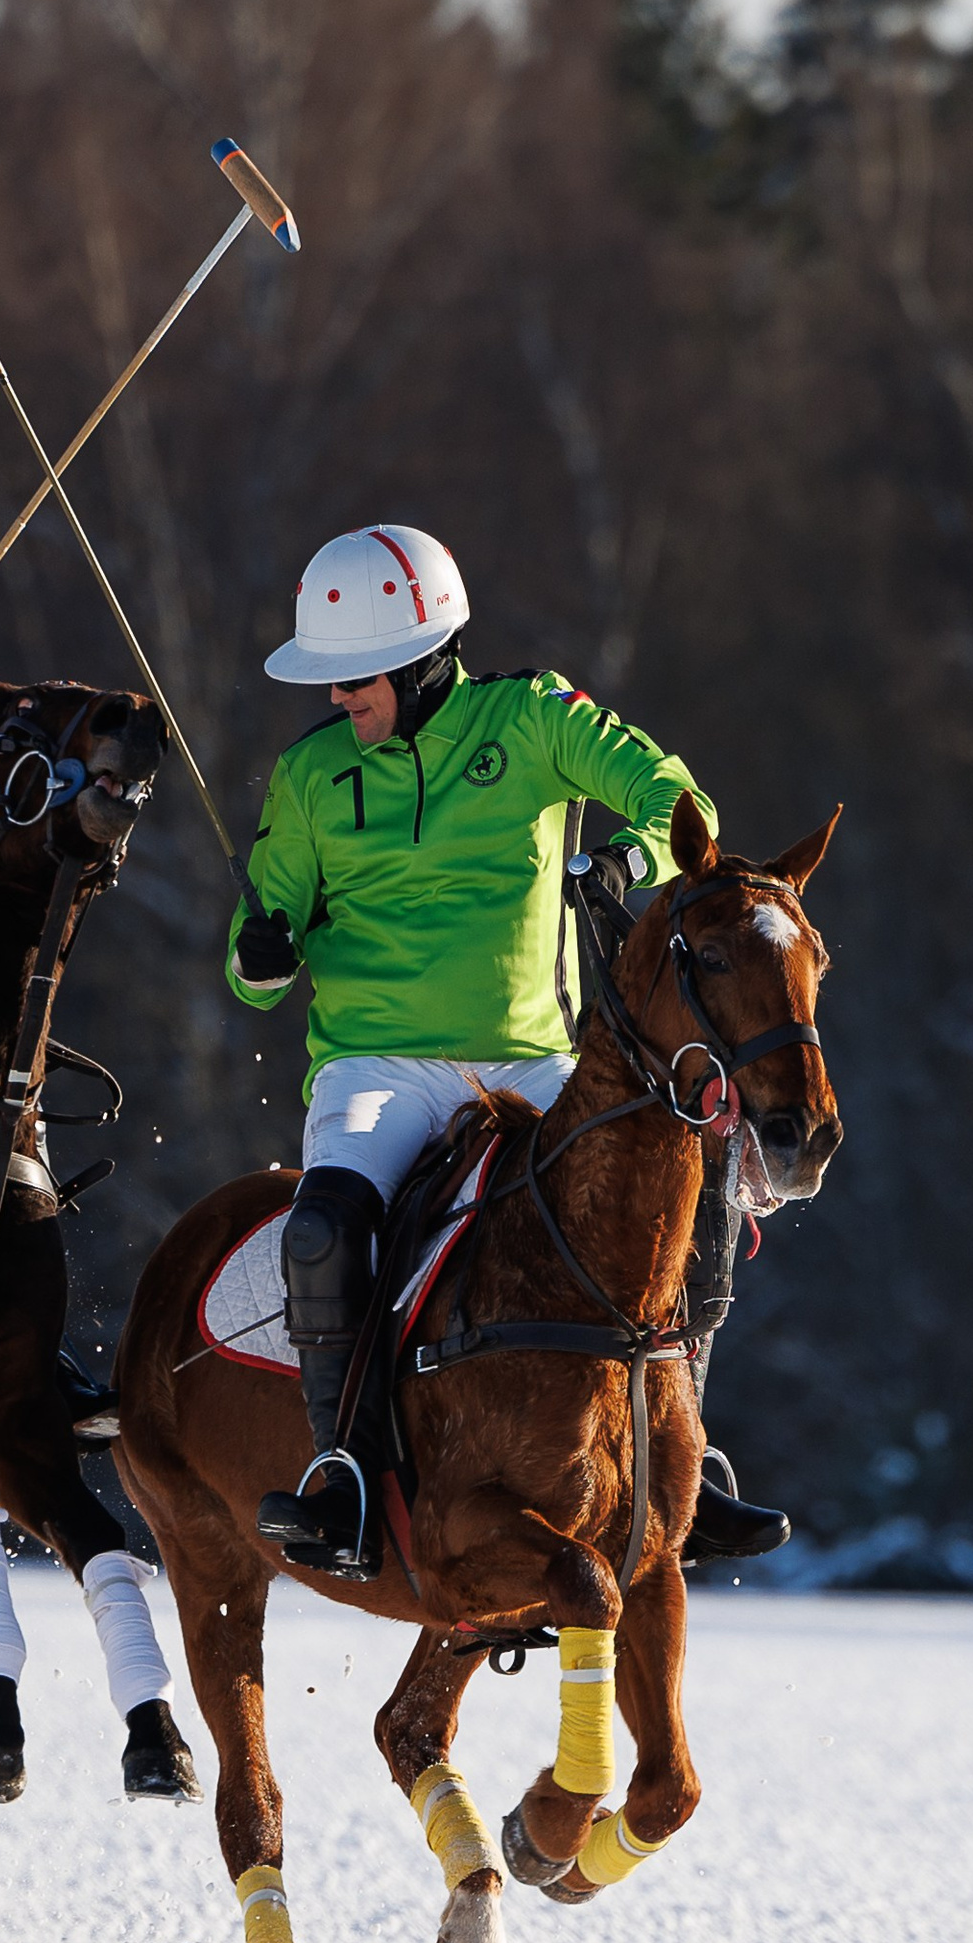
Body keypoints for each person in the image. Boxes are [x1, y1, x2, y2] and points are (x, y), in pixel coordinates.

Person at [226, 523, 790, 1576]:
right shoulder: (307, 774)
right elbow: (249, 966)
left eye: (353, 678)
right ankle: (342, 1472)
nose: (336, 699)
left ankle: (685, 1451)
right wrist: (260, 945)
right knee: (322, 1231)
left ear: (418, 657)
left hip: (536, 1061)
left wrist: (623, 855)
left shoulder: (531, 718)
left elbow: (681, 800)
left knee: (696, 1190)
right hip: (373, 1065)